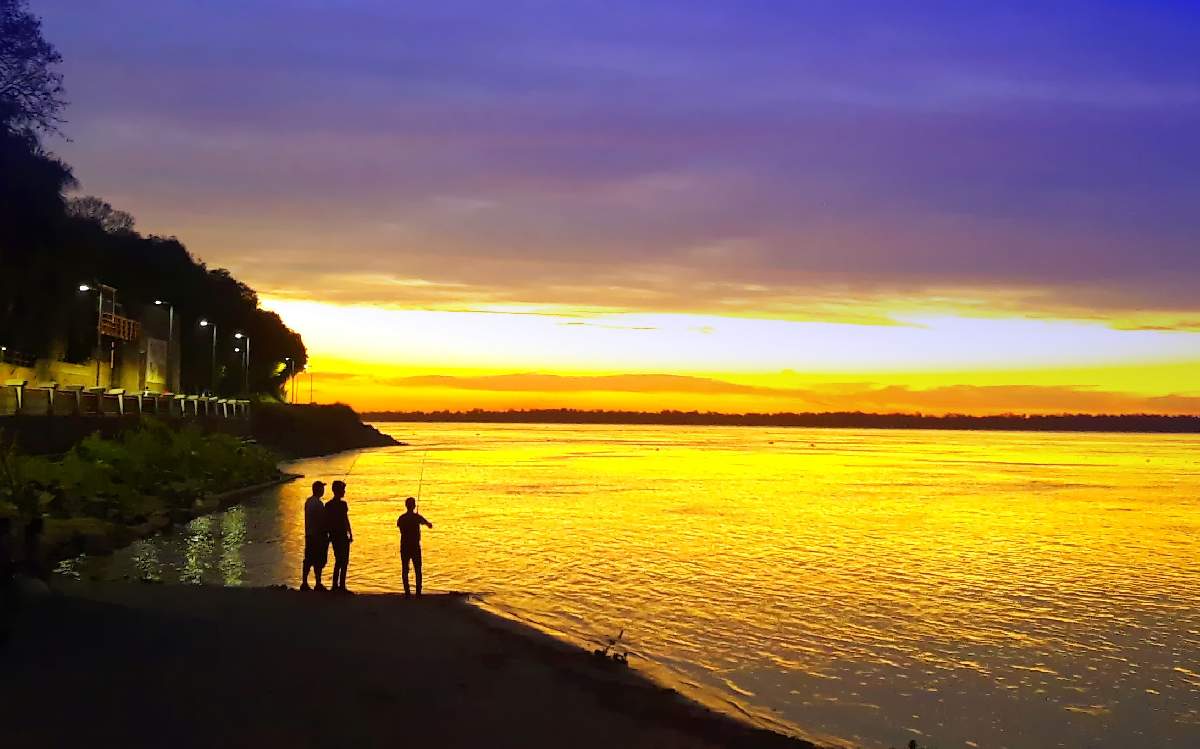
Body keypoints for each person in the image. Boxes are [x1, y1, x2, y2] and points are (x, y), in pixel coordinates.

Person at [395, 497, 432, 597]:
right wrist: (423, 522)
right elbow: (429, 524)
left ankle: (407, 592)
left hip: (404, 546)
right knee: (418, 569)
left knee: (405, 569)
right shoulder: (417, 517)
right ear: (414, 506)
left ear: (406, 506)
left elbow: (398, 526)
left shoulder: (402, 518)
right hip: (415, 546)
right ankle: (418, 593)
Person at [325, 480, 353, 593]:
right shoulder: (343, 504)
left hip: (334, 536)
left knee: (338, 560)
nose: (344, 492)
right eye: (343, 490)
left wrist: (328, 535)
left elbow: (326, 522)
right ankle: (341, 586)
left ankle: (335, 586)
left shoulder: (328, 505)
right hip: (341, 535)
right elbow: (346, 520)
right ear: (339, 491)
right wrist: (350, 532)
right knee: (344, 561)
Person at [301, 480, 328, 591]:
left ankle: (304, 583)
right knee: (318, 560)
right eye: (322, 488)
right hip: (317, 536)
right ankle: (318, 583)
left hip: (309, 534)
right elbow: (322, 521)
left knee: (308, 559)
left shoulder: (308, 502)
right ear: (319, 490)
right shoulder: (318, 504)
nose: (323, 490)